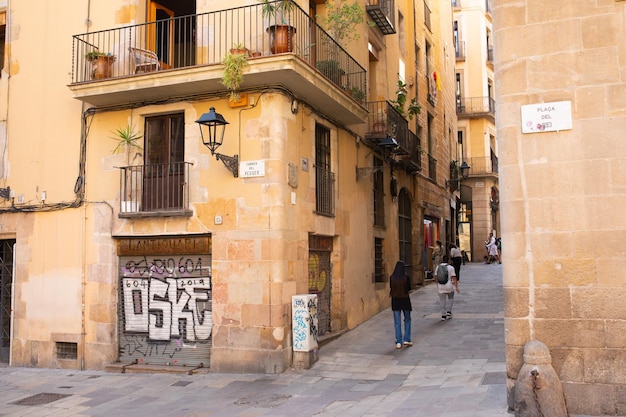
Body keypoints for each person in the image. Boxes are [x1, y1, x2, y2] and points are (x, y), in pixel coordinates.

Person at [389, 260, 412, 348]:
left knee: (397, 322)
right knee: (407, 319)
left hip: (395, 301)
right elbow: (409, 288)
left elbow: (391, 287)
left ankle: (398, 341)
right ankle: (407, 339)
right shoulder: (406, 277)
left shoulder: (392, 277)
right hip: (405, 300)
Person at [434, 255, 460, 321]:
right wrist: (456, 287)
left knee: (442, 300)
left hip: (440, 285)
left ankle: (443, 315)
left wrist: (437, 284)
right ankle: (449, 311)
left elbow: (435, 277)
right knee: (451, 297)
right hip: (449, 285)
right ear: (448, 260)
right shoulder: (451, 267)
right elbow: (454, 278)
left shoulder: (438, 267)